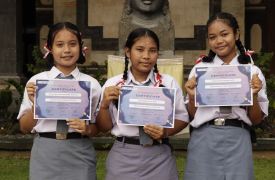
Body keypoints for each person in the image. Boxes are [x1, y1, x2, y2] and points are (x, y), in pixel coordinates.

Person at [183, 12, 269, 180]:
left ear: (236, 34)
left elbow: (257, 120)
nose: (219, 41)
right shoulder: (200, 70)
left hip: (238, 137)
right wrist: (192, 96)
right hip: (204, 137)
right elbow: (192, 115)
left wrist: (254, 95)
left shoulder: (252, 72)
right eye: (212, 37)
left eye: (224, 34)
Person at [96, 28, 188, 180]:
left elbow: (183, 118)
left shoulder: (168, 83)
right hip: (123, 154)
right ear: (128, 52)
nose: (146, 56)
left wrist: (165, 133)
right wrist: (104, 104)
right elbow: (104, 127)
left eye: (152, 50)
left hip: (159, 156)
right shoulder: (113, 84)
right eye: (139, 50)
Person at [17, 22, 101, 180]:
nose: (67, 50)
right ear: (49, 48)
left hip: (80, 151)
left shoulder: (92, 85)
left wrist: (87, 129)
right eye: (60, 45)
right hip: (45, 152)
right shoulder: (36, 83)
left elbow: (99, 127)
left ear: (81, 47)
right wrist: (36, 104)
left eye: (72, 44)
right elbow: (24, 128)